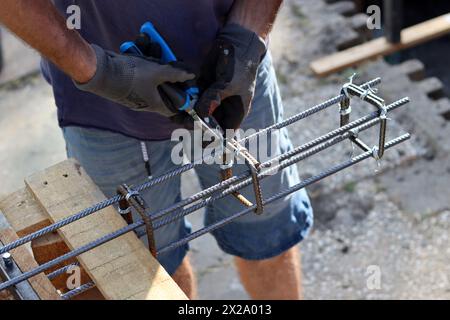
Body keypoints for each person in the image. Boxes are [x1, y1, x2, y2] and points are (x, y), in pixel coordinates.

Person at [0, 0, 313, 299]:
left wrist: (248, 33)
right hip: (102, 113)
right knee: (150, 273)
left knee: (267, 237)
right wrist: (99, 71)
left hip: (236, 81)